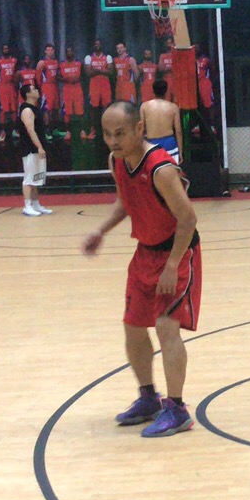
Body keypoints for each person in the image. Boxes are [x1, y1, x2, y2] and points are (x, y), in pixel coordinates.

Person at [82, 100, 203, 440]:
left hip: (177, 252)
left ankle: (177, 409)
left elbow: (188, 219)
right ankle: (148, 397)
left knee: (166, 326)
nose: (113, 141)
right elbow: (125, 202)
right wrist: (101, 231)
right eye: (107, 134)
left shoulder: (160, 168)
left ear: (139, 129)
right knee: (133, 326)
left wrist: (173, 265)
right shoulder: (117, 161)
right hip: (145, 254)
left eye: (120, 134)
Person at [17, 82, 51, 217]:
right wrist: (39, 147)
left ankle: (36, 204)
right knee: (28, 178)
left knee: (36, 177)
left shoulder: (35, 109)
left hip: (36, 148)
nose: (37, 90)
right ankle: (27, 206)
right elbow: (30, 130)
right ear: (27, 94)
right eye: (33, 89)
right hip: (30, 148)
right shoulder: (26, 110)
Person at [142, 79, 181, 155]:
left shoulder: (144, 107)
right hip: (169, 143)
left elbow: (142, 130)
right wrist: (180, 151)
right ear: (166, 91)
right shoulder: (173, 107)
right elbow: (178, 131)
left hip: (151, 144)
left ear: (153, 91)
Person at [59, 44, 86, 124]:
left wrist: (77, 79)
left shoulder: (79, 63)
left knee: (80, 109)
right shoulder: (62, 64)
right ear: (65, 53)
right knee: (67, 110)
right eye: (67, 52)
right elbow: (58, 77)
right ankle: (67, 129)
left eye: (70, 51)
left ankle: (82, 129)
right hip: (67, 88)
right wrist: (65, 79)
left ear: (73, 52)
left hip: (77, 88)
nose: (69, 53)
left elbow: (84, 76)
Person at [86, 40, 114, 114]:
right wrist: (103, 70)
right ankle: (95, 121)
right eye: (96, 44)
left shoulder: (108, 57)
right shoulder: (89, 58)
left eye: (99, 44)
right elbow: (88, 73)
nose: (97, 45)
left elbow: (110, 72)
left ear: (102, 45)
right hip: (94, 85)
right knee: (94, 106)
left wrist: (96, 70)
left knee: (106, 105)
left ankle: (106, 120)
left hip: (105, 85)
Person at [37, 44, 61, 123]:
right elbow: (38, 77)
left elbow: (58, 74)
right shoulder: (42, 63)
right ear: (45, 51)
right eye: (48, 50)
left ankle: (55, 127)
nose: (50, 52)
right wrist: (40, 88)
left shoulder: (56, 62)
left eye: (51, 50)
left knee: (56, 108)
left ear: (54, 51)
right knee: (46, 108)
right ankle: (47, 128)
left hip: (55, 86)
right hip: (46, 87)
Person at [0, 45, 20, 122]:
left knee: (14, 107)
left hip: (12, 85)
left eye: (7, 48)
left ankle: (14, 126)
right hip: (3, 86)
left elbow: (17, 73)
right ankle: (3, 127)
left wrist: (15, 83)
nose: (5, 50)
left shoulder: (14, 60)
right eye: (4, 49)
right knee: (4, 108)